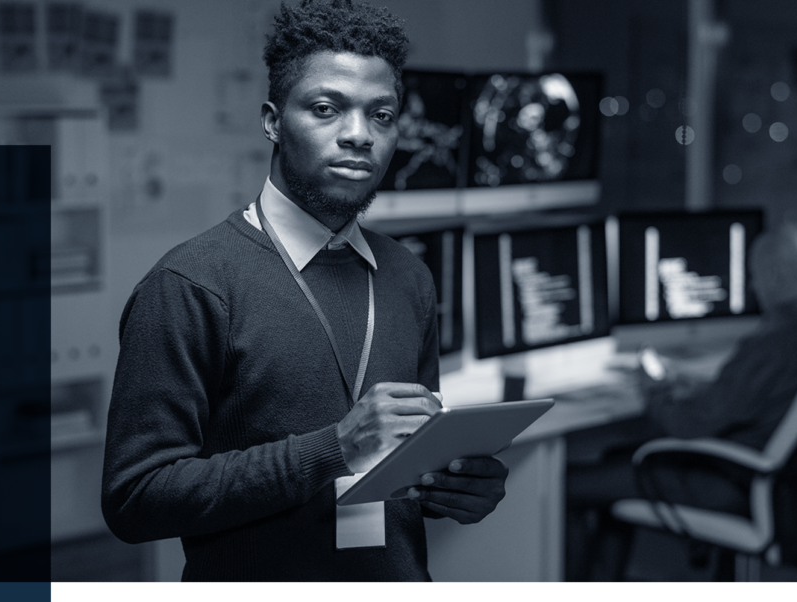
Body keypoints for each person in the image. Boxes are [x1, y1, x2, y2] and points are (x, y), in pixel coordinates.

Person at [101, 0, 508, 583]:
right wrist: (334, 447)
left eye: (383, 115)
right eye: (326, 108)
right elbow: (135, 498)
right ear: (272, 120)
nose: (358, 135)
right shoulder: (190, 285)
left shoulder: (408, 276)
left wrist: (459, 488)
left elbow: (406, 465)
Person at [566, 223, 797, 582]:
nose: (754, 287)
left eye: (755, 278)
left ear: (774, 276)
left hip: (728, 482)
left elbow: (688, 426)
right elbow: (745, 399)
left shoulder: (769, 345)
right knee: (613, 460)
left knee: (566, 485)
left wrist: (651, 387)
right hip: (783, 486)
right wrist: (699, 386)